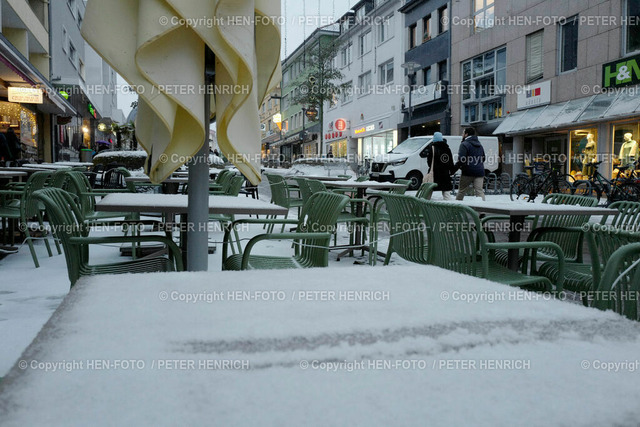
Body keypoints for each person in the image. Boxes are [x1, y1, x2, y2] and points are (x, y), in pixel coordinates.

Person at [455, 127, 486, 201]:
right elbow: (483, 158)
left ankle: (456, 210)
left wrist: (457, 168)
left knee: (462, 190)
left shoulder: (464, 144)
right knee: (479, 191)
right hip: (479, 171)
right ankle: (482, 210)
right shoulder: (479, 145)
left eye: (463, 133)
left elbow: (462, 159)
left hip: (467, 172)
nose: (462, 134)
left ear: (466, 134)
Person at [425, 132, 455, 200]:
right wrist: (451, 170)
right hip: (445, 174)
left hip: (434, 173)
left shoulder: (432, 148)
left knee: (429, 191)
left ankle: (424, 205)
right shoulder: (447, 148)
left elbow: (429, 162)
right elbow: (450, 162)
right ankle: (449, 207)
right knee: (446, 193)